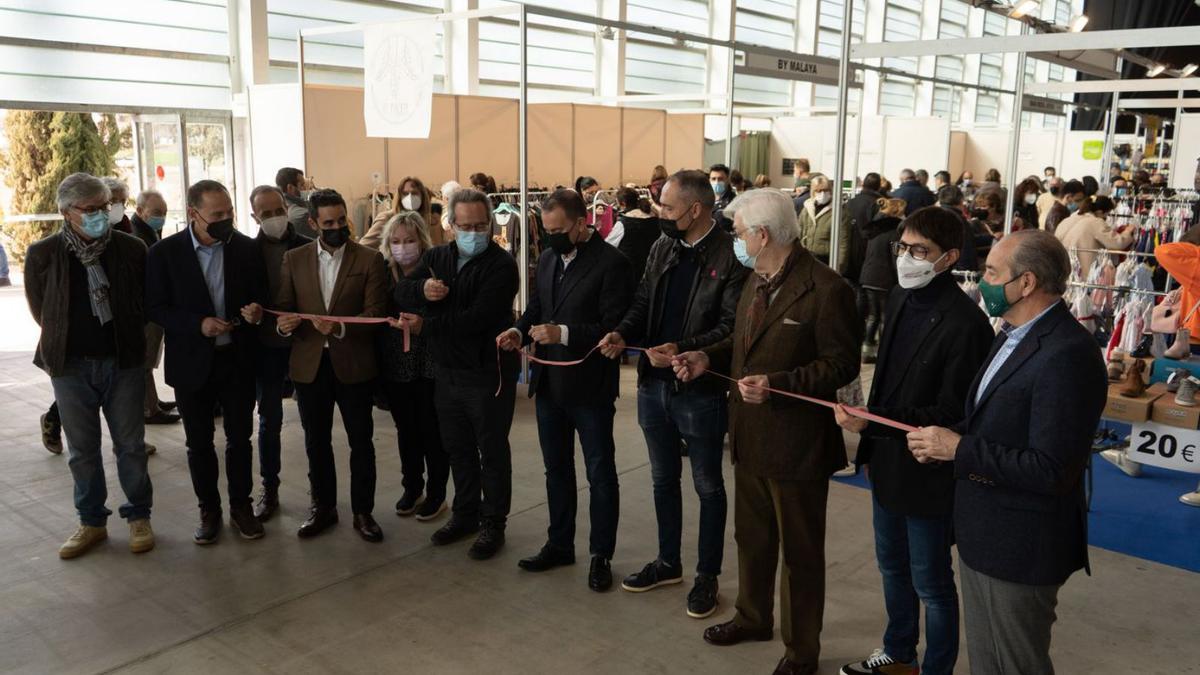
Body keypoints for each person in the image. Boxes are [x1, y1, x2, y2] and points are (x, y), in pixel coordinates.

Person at [673, 188, 861, 675]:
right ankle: (753, 617)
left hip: (798, 444)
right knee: (751, 538)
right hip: (750, 434)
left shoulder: (826, 288)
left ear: (761, 234)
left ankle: (802, 651)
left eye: (738, 233)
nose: (735, 240)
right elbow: (741, 347)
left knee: (799, 554)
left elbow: (841, 365)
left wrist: (778, 385)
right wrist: (704, 358)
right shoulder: (756, 278)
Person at [906, 229, 1106, 675]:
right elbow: (988, 420)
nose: (983, 281)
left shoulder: (1067, 354)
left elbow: (1052, 468)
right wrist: (942, 440)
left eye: (993, 272)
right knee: (986, 660)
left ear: (1027, 283)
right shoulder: (1011, 333)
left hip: (1021, 545)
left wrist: (961, 449)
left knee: (1015, 663)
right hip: (984, 532)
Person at [835, 207, 994, 675]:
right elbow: (884, 380)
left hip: (929, 471)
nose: (906, 258)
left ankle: (936, 667)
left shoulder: (966, 325)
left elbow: (952, 415)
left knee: (931, 581)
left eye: (919, 251)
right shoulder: (902, 298)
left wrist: (873, 422)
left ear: (948, 258)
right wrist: (870, 444)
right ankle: (899, 650)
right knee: (892, 567)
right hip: (886, 461)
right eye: (902, 247)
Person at [599, 169, 748, 618]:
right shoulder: (663, 246)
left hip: (698, 388)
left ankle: (707, 575)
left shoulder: (732, 255)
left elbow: (729, 327)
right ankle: (668, 562)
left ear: (696, 210)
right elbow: (644, 300)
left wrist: (683, 350)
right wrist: (623, 334)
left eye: (667, 207)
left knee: (707, 485)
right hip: (653, 383)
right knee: (662, 479)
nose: (659, 213)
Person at [499, 189, 633, 591]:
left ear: (581, 223)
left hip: (590, 386)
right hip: (549, 386)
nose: (552, 236)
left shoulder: (613, 264)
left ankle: (600, 555)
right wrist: (518, 331)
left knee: (600, 473)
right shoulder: (548, 259)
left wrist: (564, 333)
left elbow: (614, 327)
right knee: (556, 470)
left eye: (559, 230)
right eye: (547, 229)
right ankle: (559, 543)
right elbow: (539, 307)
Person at [25, 172, 155, 559]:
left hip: (124, 363)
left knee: (130, 446)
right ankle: (91, 521)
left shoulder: (131, 249)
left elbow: (144, 303)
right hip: (70, 367)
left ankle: (139, 516)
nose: (102, 214)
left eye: (105, 206)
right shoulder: (44, 254)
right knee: (82, 450)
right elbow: (40, 309)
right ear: (67, 212)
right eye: (91, 209)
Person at [395, 188, 520, 560]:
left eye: (481, 225)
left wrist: (427, 326)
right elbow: (402, 291)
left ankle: (493, 523)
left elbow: (478, 319)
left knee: (491, 451)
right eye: (466, 225)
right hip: (447, 373)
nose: (474, 232)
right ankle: (465, 513)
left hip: (487, 373)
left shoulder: (501, 265)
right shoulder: (436, 257)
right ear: (450, 225)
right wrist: (423, 288)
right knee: (458, 448)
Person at [146, 179, 268, 544]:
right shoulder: (165, 254)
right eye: (217, 215)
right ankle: (209, 509)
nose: (225, 221)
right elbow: (155, 307)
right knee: (198, 442)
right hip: (191, 363)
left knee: (240, 438)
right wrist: (197, 324)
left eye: (229, 213)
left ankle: (241, 507)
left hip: (237, 359)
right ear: (193, 214)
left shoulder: (245, 249)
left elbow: (263, 296)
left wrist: (257, 311)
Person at [275, 188, 389, 543]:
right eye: (329, 223)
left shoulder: (369, 260)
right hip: (310, 364)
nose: (337, 227)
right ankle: (323, 507)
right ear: (312, 223)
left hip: (353, 362)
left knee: (361, 441)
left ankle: (362, 511)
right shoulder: (294, 259)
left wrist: (339, 326)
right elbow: (282, 306)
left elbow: (376, 314)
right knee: (316, 441)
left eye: (342, 221)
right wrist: (284, 325)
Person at [376, 211, 449, 521]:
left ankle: (436, 493)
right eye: (395, 241)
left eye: (408, 240)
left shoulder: (434, 271)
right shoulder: (382, 272)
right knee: (406, 429)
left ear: (422, 240)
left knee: (432, 429)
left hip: (429, 361)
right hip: (395, 363)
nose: (402, 247)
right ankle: (412, 486)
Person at [246, 184, 312, 521]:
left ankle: (320, 495)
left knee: (314, 422)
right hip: (266, 349)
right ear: (254, 216)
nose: (274, 218)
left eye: (278, 210)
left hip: (305, 345)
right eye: (266, 213)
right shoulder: (245, 252)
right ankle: (269, 489)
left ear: (286, 207)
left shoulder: (308, 246)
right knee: (269, 420)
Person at [129, 189, 179, 427]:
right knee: (145, 362)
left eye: (164, 212)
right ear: (140, 211)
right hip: (146, 310)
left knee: (149, 360)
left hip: (154, 307)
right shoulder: (137, 235)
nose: (162, 217)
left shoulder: (150, 230)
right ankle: (150, 409)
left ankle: (154, 402)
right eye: (157, 212)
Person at [857, 198, 905, 364]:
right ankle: (884, 352)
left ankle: (866, 350)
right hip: (885, 279)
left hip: (868, 276)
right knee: (886, 316)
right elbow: (895, 259)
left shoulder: (874, 229)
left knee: (872, 316)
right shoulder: (894, 233)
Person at [361, 176, 446, 248]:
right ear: (399, 197)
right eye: (405, 193)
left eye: (414, 193)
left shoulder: (431, 221)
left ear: (422, 196)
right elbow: (363, 247)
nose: (410, 197)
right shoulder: (387, 219)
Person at [1054, 195, 1132, 273]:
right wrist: (1127, 232)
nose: (1106, 219)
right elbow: (1117, 243)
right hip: (1083, 273)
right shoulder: (1096, 222)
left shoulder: (1067, 220)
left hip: (1061, 269)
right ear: (1100, 212)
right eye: (1106, 215)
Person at [798, 175, 851, 275]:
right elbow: (799, 232)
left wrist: (839, 267)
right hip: (806, 257)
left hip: (826, 260)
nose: (822, 193)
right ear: (813, 192)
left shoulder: (839, 211)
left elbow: (843, 242)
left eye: (825, 190)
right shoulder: (807, 209)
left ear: (830, 191)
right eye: (818, 190)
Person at [610, 187, 659, 285]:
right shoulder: (654, 219)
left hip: (630, 275)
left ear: (622, 203)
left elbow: (608, 246)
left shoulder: (623, 223)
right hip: (652, 272)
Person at [937, 186, 979, 272]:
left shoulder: (935, 216)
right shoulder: (958, 220)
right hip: (959, 270)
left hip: (942, 267)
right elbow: (966, 247)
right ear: (961, 200)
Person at [276, 167, 317, 239]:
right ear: (290, 188)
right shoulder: (303, 214)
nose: (305, 188)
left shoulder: (278, 208)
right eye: (302, 185)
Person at [846, 173, 884, 241]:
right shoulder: (878, 204)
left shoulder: (851, 202)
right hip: (868, 244)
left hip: (851, 242)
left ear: (863, 184)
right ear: (879, 186)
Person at [710, 164, 736, 231]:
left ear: (727, 180)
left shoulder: (734, 201)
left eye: (720, 179)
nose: (716, 182)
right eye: (713, 179)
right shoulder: (704, 199)